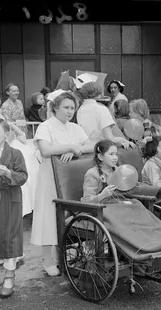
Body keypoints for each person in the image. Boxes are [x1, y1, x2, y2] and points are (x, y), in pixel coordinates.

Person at [31, 90, 95, 276]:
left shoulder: (75, 127)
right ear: (56, 107)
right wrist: (69, 146)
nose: (70, 111)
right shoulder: (46, 126)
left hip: (70, 178)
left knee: (70, 213)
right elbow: (45, 149)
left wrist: (77, 150)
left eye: (73, 108)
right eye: (66, 107)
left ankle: (66, 255)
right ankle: (48, 260)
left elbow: (91, 145)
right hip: (50, 177)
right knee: (48, 216)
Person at [0, 118, 28, 297]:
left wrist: (9, 173)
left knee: (11, 234)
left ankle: (9, 275)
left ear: (5, 134)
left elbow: (23, 176)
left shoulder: (16, 153)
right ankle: (7, 260)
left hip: (11, 197)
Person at [76, 81, 135, 150]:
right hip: (102, 148)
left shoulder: (80, 110)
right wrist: (123, 140)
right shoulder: (101, 109)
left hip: (86, 148)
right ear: (97, 92)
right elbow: (109, 137)